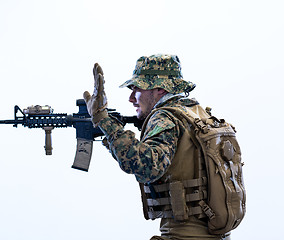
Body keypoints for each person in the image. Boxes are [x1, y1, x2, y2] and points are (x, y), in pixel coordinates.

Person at [83, 54, 231, 240]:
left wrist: (104, 121)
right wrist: (109, 139)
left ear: (160, 89)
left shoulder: (165, 117)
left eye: (137, 88)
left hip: (183, 236)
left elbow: (146, 167)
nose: (131, 98)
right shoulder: (197, 113)